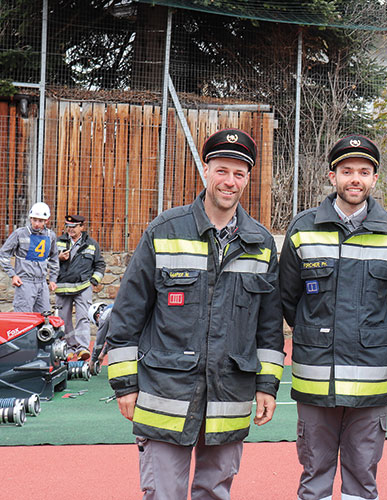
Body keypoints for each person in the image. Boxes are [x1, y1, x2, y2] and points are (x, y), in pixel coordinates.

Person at [105, 128, 285, 499]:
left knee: (214, 492)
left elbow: (268, 327)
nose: (230, 181)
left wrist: (267, 385)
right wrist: (125, 384)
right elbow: (127, 314)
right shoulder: (164, 230)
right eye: (222, 170)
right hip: (165, 393)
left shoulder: (261, 243)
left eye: (239, 173)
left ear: (248, 178)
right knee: (164, 493)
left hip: (229, 394)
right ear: (205, 169)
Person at [279, 135, 387, 500]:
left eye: (364, 172)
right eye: (347, 170)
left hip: (370, 380)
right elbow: (288, 298)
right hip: (316, 377)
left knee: (362, 478)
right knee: (314, 474)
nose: (356, 178)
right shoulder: (303, 228)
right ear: (332, 175)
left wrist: (367, 331)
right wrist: (314, 331)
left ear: (374, 179)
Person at [55, 214, 106, 361]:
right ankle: (68, 348)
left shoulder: (91, 244)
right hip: (62, 287)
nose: (70, 229)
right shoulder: (57, 242)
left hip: (83, 286)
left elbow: (100, 264)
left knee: (83, 317)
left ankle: (83, 348)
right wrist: (58, 259)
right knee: (63, 320)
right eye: (68, 226)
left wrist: (94, 281)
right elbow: (48, 262)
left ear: (82, 227)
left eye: (74, 226)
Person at [0, 202, 59, 312]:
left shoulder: (51, 236)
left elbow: (54, 259)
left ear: (46, 221)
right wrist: (13, 275)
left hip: (42, 283)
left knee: (44, 317)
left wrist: (53, 279)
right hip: (24, 283)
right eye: (34, 219)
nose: (36, 223)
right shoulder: (19, 234)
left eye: (40, 221)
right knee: (23, 318)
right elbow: (3, 254)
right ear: (30, 218)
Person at [89, 301, 112, 375]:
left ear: (97, 316)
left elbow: (100, 341)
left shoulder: (103, 316)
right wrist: (102, 354)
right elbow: (113, 338)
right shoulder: (113, 310)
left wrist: (92, 361)